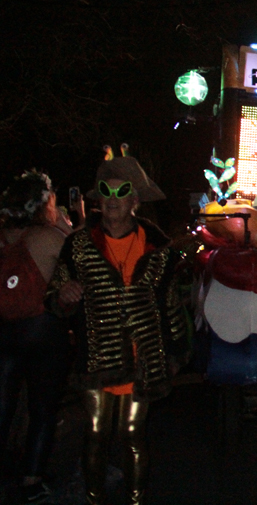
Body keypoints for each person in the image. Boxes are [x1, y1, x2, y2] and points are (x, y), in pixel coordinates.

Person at [47, 155, 191, 505]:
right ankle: (94, 498)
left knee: (132, 433)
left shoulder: (157, 248)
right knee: (96, 432)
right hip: (98, 356)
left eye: (121, 191)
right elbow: (54, 295)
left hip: (144, 358)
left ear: (134, 199)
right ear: (98, 198)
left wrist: (176, 352)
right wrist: (64, 296)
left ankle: (135, 500)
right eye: (106, 191)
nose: (112, 199)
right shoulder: (78, 246)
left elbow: (170, 304)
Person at [0, 171, 74, 504]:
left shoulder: (4, 237)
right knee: (42, 407)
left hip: (4, 330)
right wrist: (67, 226)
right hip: (43, 331)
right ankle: (32, 479)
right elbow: (80, 261)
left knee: (3, 404)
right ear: (44, 203)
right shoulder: (48, 236)